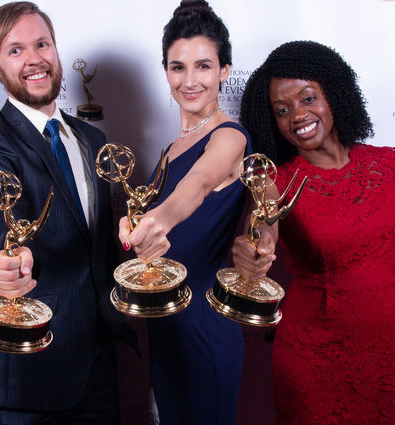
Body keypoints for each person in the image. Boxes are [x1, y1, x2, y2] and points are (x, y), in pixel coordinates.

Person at [234, 40, 395, 425]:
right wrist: (253, 255)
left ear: (334, 93)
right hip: (316, 365)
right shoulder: (274, 182)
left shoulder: (389, 166)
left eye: (308, 98)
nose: (297, 116)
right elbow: (261, 236)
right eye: (282, 110)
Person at [0, 2, 134, 424]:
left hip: (97, 365)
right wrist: (6, 260)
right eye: (15, 50)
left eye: (42, 44)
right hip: (27, 371)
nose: (34, 59)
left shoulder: (92, 138)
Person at [117, 1, 251, 423]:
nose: (189, 81)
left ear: (225, 71)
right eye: (178, 68)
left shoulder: (230, 137)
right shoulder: (168, 150)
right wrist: (132, 225)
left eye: (203, 67)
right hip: (165, 325)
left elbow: (196, 187)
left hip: (204, 326)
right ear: (166, 72)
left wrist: (159, 219)